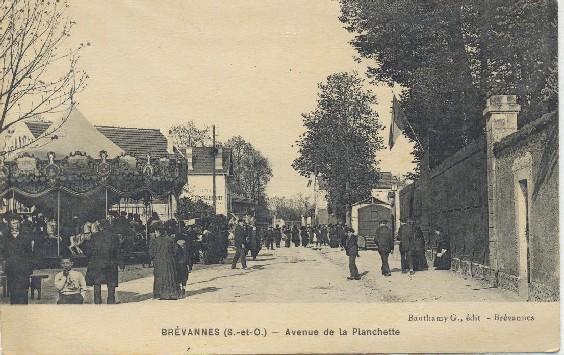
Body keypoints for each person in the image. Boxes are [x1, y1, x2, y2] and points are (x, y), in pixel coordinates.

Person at [83, 219, 122, 304]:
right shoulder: (114, 237)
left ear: (100, 226)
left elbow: (88, 251)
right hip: (111, 264)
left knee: (97, 284)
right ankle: (111, 303)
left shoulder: (94, 236)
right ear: (109, 226)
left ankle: (97, 303)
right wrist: (121, 264)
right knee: (111, 284)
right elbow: (118, 252)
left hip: (97, 264)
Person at [0, 215, 34, 304]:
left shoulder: (25, 236)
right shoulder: (5, 237)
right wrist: (4, 266)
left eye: (18, 222)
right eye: (14, 223)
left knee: (23, 291)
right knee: (13, 291)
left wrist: (29, 268)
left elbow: (30, 253)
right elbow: (3, 253)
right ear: (9, 224)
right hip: (11, 268)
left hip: (23, 268)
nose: (16, 224)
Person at [149, 222, 180, 300]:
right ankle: (172, 294)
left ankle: (160, 294)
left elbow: (151, 253)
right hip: (170, 262)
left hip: (159, 262)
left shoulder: (154, 241)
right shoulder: (170, 240)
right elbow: (176, 251)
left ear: (157, 231)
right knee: (170, 277)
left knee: (160, 277)